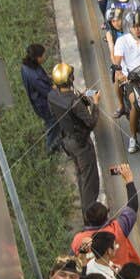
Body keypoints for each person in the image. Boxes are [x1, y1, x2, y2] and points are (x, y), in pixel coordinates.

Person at [48, 62, 102, 209]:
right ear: (69, 79)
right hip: (81, 144)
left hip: (67, 141)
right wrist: (95, 104)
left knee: (81, 176)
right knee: (90, 182)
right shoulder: (74, 102)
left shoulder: (52, 96)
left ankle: (88, 211)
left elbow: (54, 113)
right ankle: (91, 217)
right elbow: (91, 123)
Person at [21, 43, 57, 152]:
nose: (44, 57)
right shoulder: (35, 77)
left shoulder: (26, 67)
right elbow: (47, 92)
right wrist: (57, 87)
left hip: (37, 100)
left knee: (52, 121)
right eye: (42, 55)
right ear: (37, 58)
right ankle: (50, 147)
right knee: (53, 122)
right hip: (43, 104)